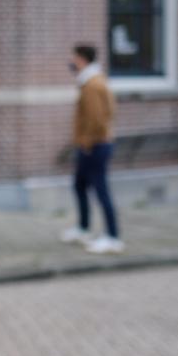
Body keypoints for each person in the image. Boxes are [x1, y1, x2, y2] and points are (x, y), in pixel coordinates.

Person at [61, 44, 122, 254]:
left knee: (101, 190)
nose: (72, 61)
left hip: (94, 146)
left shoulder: (92, 85)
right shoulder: (92, 81)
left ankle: (113, 237)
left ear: (82, 59)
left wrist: (86, 143)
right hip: (93, 144)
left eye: (74, 57)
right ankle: (84, 228)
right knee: (79, 185)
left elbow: (97, 119)